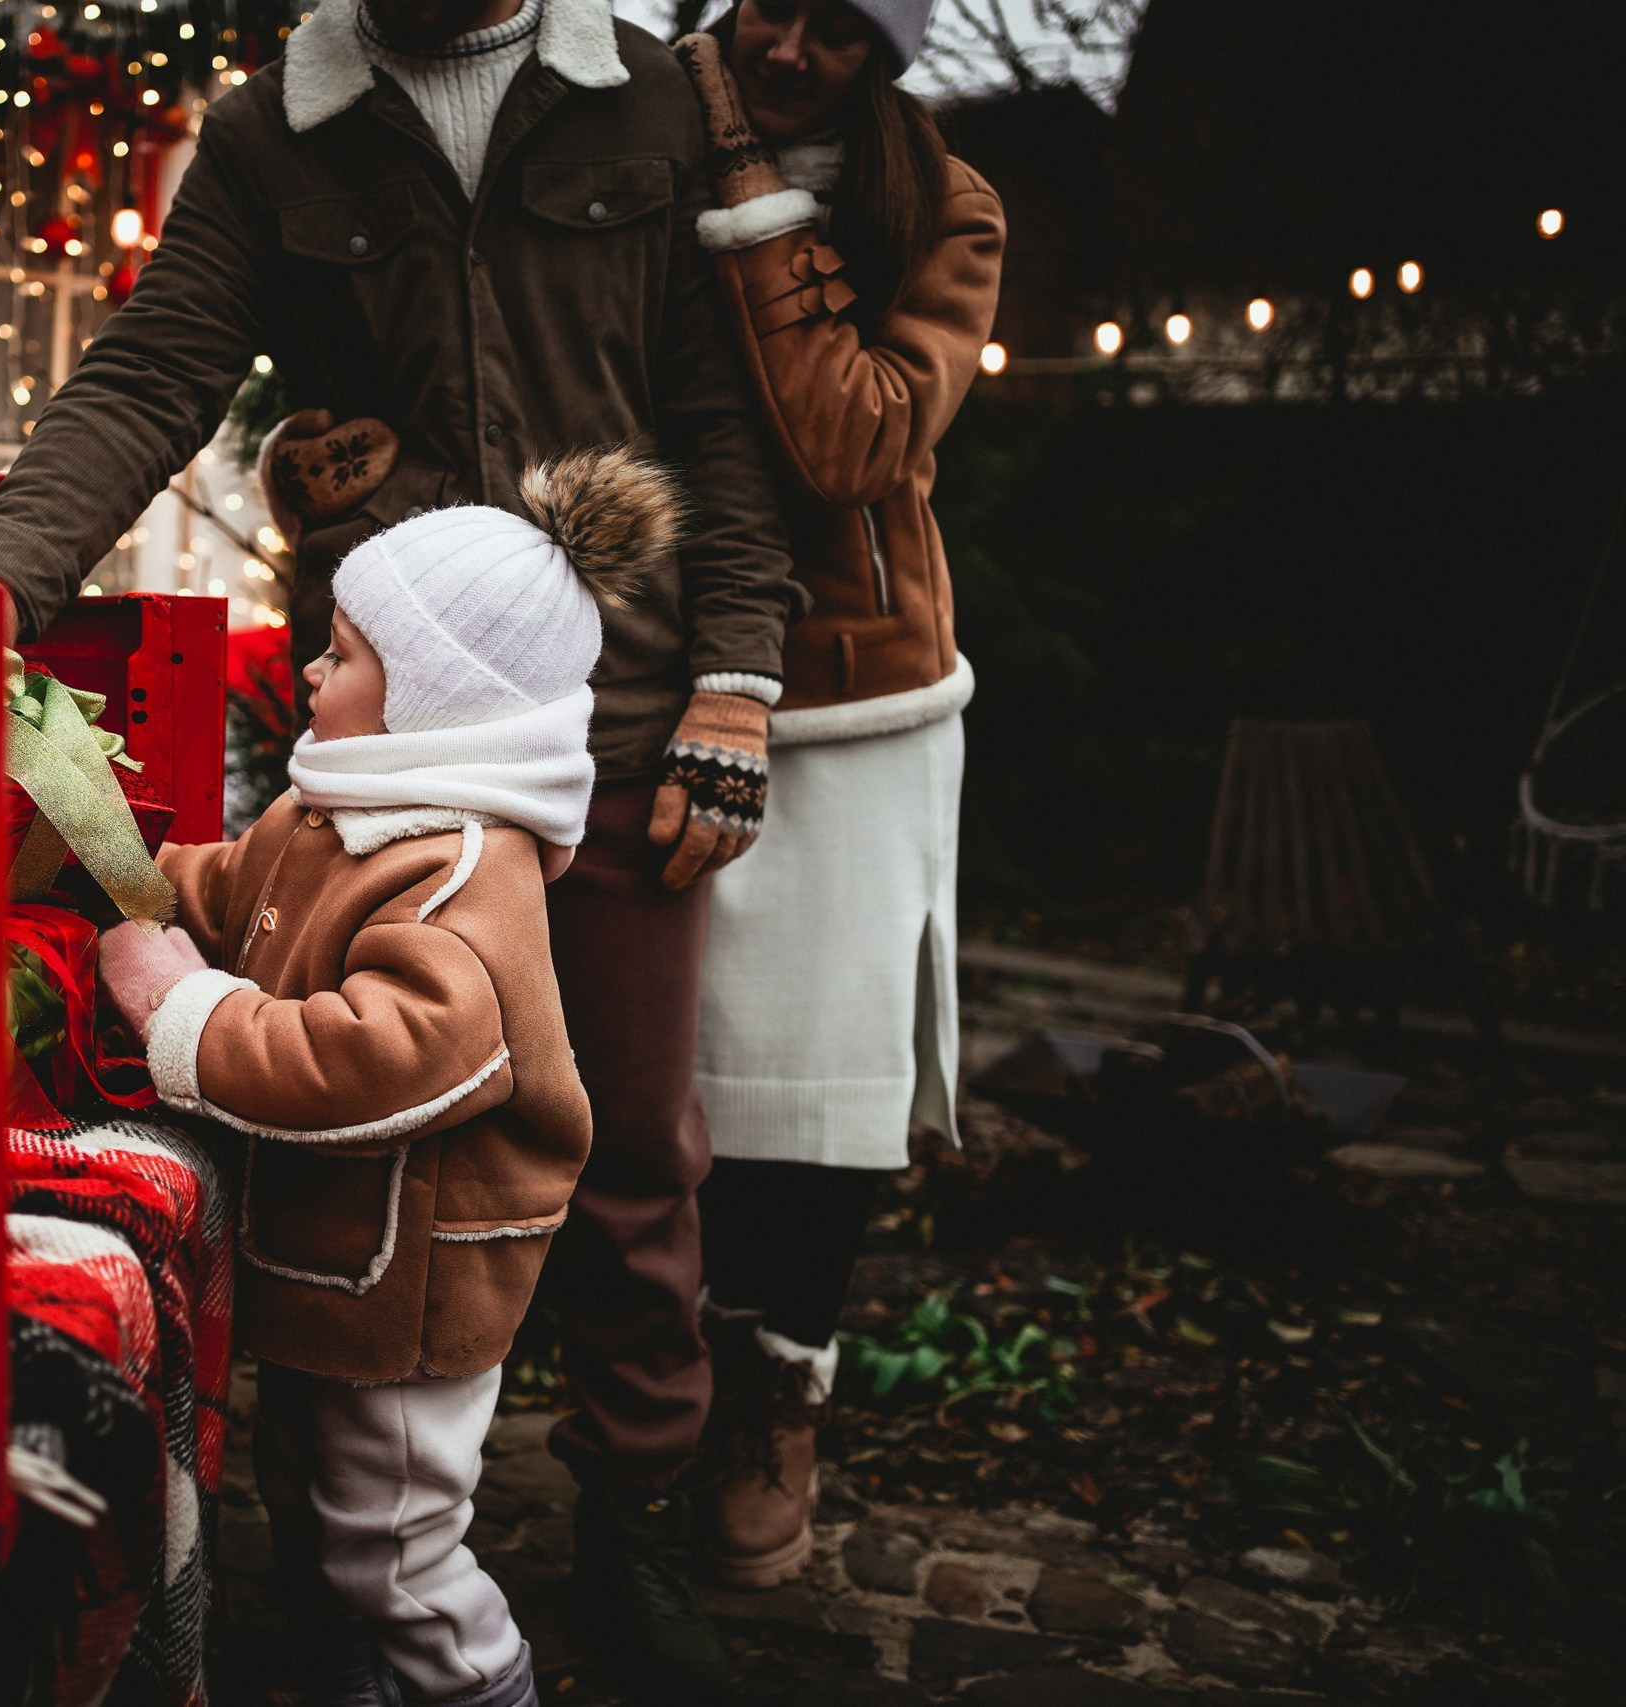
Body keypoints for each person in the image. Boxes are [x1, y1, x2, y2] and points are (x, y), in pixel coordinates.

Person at [0, 0, 802, 1695]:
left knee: (632, 1142)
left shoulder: (643, 102)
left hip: (612, 721)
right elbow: (153, 366)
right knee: (339, 1129)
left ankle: (626, 1508)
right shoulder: (277, 129)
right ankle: (353, 1524)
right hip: (381, 724)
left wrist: (737, 670)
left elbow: (724, 411)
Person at [100, 450, 677, 1707]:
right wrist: (112, 870)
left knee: (398, 1551)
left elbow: (396, 1055)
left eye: (346, 654)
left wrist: (181, 1009)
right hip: (335, 1254)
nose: (311, 669)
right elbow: (229, 891)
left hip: (417, 1284)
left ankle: (482, 1690)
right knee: (313, 1500)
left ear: (433, 695)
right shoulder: (335, 816)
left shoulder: (464, 868)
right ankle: (347, 1687)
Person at [667, 0, 1003, 1589]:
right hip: (656, 668)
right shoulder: (628, 137)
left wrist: (749, 186)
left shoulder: (940, 203)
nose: (793, 49)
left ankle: (777, 1393)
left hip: (863, 698)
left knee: (824, 1090)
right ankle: (677, 1383)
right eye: (768, 11)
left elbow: (852, 436)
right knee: (691, 1080)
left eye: (843, 31)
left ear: (890, 58)